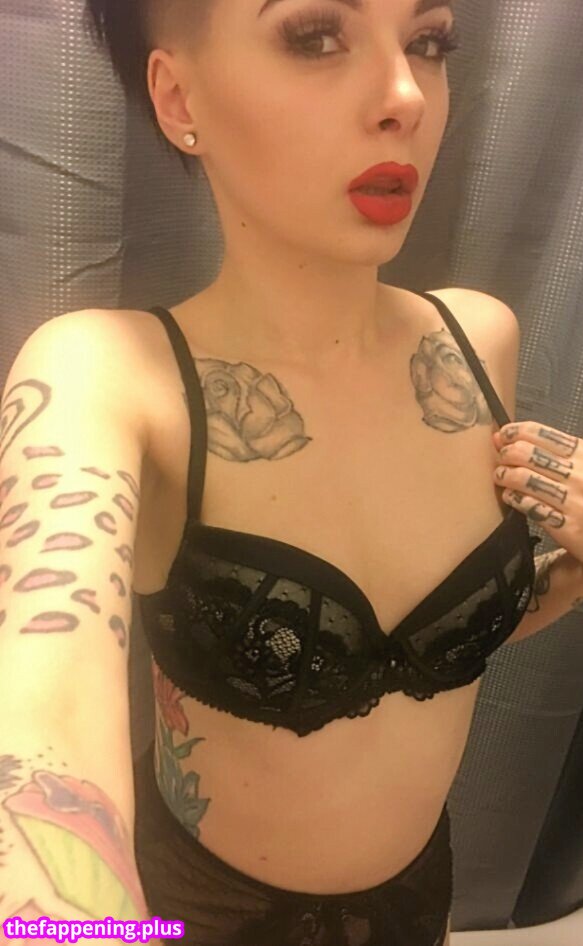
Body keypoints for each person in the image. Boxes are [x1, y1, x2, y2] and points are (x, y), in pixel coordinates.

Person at [0, 2, 541, 943]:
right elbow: (46, 713)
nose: (406, 96)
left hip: (419, 902)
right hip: (198, 918)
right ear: (179, 99)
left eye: (428, 42)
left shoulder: (477, 341)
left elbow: (423, 666)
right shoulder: (106, 376)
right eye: (316, 37)